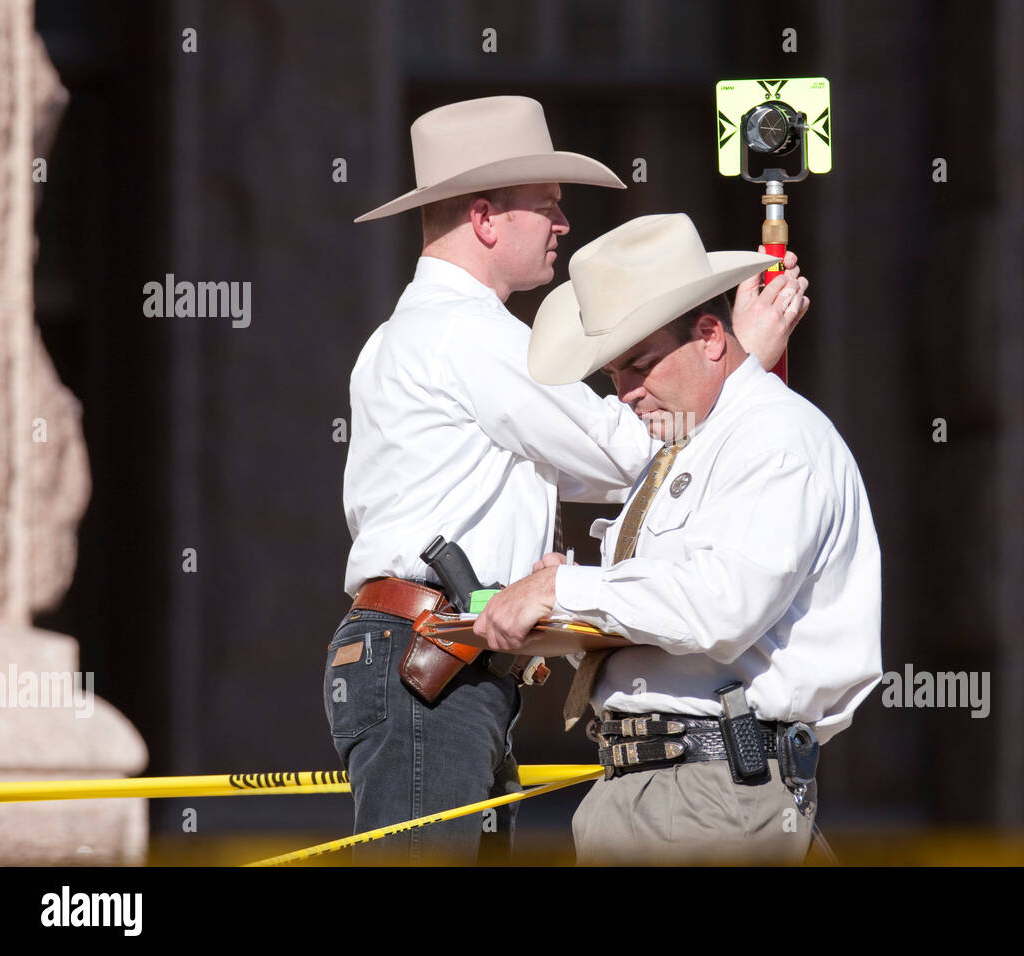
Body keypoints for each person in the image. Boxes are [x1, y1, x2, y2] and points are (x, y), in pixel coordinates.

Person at [326, 96, 810, 864]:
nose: (563, 224)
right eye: (546, 207)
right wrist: (730, 363)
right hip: (431, 661)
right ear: (486, 219)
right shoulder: (471, 336)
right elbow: (626, 450)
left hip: (429, 655)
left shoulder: (405, 334)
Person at [475, 213, 882, 865]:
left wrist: (566, 588)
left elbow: (720, 608)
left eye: (641, 365)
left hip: (704, 794)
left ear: (710, 336)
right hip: (669, 793)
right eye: (614, 375)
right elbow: (671, 629)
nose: (627, 393)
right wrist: (567, 609)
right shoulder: (686, 446)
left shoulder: (773, 437)